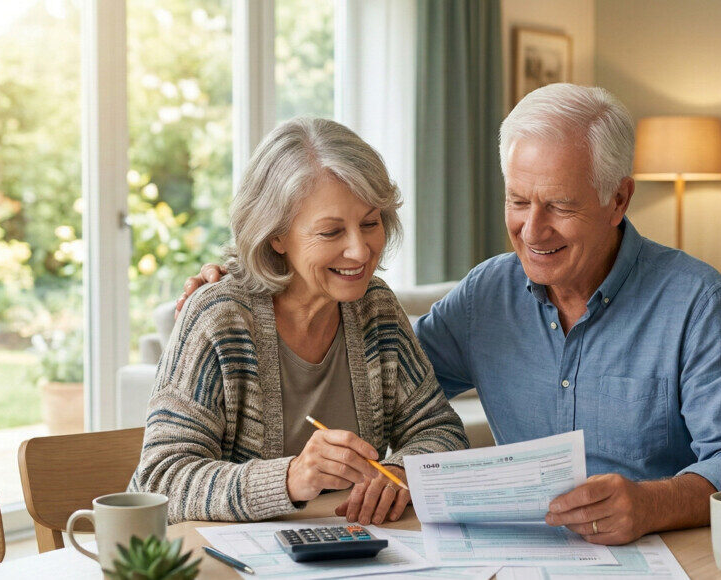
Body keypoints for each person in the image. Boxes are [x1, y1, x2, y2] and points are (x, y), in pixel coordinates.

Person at [180, 84, 721, 545]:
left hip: (663, 555)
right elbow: (390, 383)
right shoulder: (487, 295)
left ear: (618, 198)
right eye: (518, 201)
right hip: (514, 554)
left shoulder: (695, 302)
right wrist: (250, 281)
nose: (532, 229)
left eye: (561, 206)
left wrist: (650, 505)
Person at [131, 117, 468, 525]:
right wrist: (289, 479)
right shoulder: (220, 318)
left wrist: (400, 473)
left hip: (353, 554)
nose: (360, 252)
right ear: (276, 235)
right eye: (330, 232)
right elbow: (159, 481)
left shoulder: (375, 308)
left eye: (369, 223)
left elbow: (440, 431)